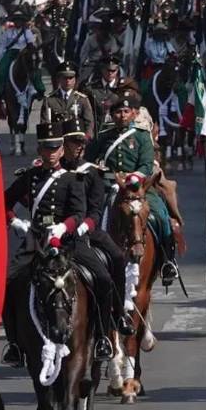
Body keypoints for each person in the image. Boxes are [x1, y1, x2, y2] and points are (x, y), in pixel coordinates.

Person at [0, 121, 87, 367]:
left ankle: (102, 334)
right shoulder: (30, 178)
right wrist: (16, 222)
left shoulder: (72, 179)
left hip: (67, 241)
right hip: (36, 240)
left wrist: (64, 226)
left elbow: (80, 212)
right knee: (9, 282)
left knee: (100, 277)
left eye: (55, 148)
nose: (51, 153)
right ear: (39, 150)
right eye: (46, 149)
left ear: (62, 150)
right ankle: (15, 343)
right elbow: (4, 201)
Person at [87, 90, 180, 285]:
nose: (122, 116)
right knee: (91, 218)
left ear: (134, 114)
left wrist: (135, 177)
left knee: (160, 215)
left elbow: (147, 164)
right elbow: (88, 160)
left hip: (138, 189)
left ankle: (168, 262)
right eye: (118, 112)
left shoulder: (141, 136)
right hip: (109, 187)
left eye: (126, 111)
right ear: (112, 115)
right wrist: (100, 171)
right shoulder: (103, 136)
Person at [61, 117, 133, 356]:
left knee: (116, 261)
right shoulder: (53, 171)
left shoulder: (91, 172)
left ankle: (114, 320)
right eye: (74, 141)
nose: (79, 146)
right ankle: (17, 340)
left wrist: (85, 226)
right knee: (15, 277)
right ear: (64, 143)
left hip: (86, 230)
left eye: (82, 141)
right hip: (54, 234)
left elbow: (95, 208)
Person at [41, 62, 96, 137]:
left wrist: (87, 137)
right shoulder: (49, 100)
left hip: (77, 140)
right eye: (65, 78)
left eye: (70, 78)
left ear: (75, 79)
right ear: (59, 79)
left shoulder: (82, 99)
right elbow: (45, 123)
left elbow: (89, 122)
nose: (68, 81)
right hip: (58, 140)